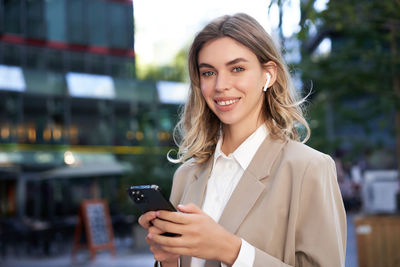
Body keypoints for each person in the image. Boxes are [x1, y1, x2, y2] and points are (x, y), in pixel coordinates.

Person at [139, 13, 346, 267]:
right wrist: (169, 259)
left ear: (268, 75)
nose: (220, 85)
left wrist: (231, 250)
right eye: (208, 72)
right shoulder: (186, 174)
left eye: (237, 68)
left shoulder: (308, 168)